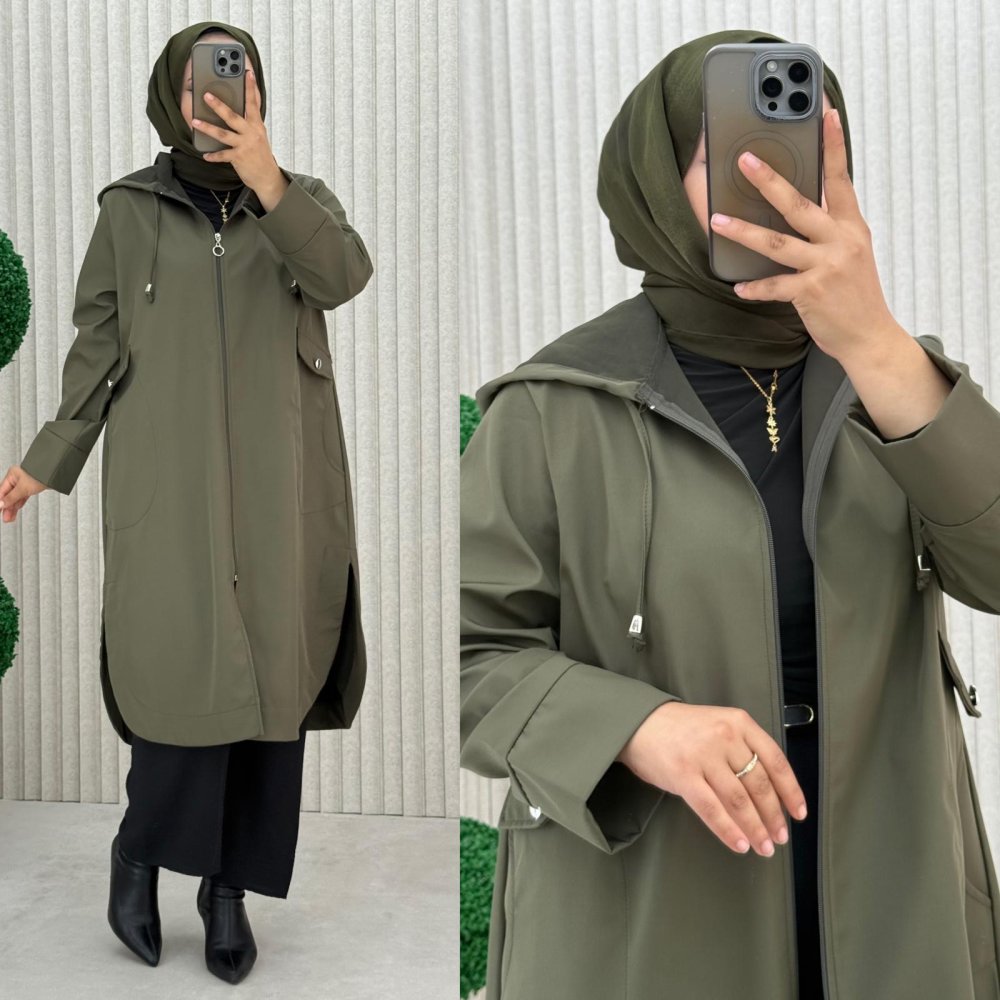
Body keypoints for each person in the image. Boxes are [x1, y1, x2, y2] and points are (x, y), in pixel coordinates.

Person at [460, 27, 1000, 1000]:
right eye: (735, 154)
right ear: (655, 181)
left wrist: (878, 344)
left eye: (800, 154)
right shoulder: (549, 409)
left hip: (894, 890)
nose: (771, 181)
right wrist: (637, 727)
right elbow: (468, 655)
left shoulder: (898, 386)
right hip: (647, 906)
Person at [0, 20, 372, 984]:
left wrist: (268, 179)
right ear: (172, 96)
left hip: (284, 495)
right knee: (177, 690)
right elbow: (98, 343)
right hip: (168, 492)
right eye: (204, 78)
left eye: (239, 75)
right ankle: (138, 854)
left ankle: (227, 891)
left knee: (268, 702)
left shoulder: (300, 203)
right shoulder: (127, 211)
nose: (222, 92)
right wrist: (47, 459)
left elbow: (344, 277)